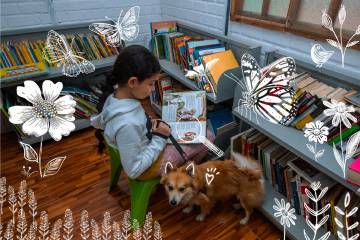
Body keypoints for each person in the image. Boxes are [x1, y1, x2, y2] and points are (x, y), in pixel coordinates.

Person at [91, 45, 212, 180]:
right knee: (208, 137)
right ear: (133, 82)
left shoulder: (115, 97)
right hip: (146, 168)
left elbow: (134, 129)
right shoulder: (128, 123)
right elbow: (134, 171)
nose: (153, 88)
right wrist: (159, 138)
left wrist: (148, 125)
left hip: (146, 142)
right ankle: (183, 176)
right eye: (151, 83)